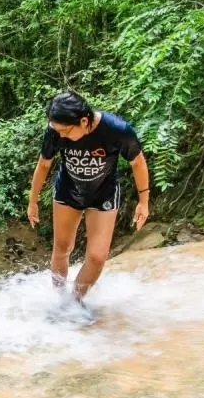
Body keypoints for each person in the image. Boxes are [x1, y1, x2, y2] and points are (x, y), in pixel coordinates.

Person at [27, 91, 150, 303]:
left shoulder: (117, 130)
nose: (61, 136)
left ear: (84, 121)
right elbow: (44, 164)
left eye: (65, 131)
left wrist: (143, 201)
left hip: (103, 193)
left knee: (96, 257)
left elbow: (137, 162)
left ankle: (74, 303)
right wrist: (32, 201)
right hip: (68, 190)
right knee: (62, 248)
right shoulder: (55, 131)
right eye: (57, 131)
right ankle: (59, 299)